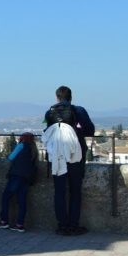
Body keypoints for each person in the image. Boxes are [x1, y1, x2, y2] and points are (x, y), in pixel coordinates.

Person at [44, 86, 95, 236]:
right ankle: (73, 225)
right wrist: (77, 130)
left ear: (57, 97)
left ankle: (62, 226)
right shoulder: (79, 111)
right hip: (75, 155)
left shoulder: (50, 112)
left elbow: (49, 131)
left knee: (59, 192)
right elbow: (90, 130)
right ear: (71, 97)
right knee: (75, 191)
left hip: (57, 157)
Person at [0, 133, 39, 232]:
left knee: (6, 197)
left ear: (22, 138)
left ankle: (4, 221)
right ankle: (20, 224)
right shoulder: (34, 150)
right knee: (22, 200)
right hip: (26, 178)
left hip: (16, 175)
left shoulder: (21, 145)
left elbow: (11, 157)